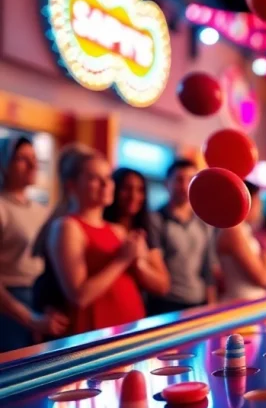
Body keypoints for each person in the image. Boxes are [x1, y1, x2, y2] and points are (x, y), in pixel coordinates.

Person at [43, 150, 147, 335]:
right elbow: (79, 296)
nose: (106, 184)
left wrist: (139, 258)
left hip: (130, 327)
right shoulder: (67, 227)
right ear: (72, 186)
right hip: (97, 332)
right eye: (94, 178)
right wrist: (122, 260)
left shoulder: (117, 229)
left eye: (108, 177)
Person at [0, 136, 66, 351]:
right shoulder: (2, 208)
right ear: (4, 164)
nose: (32, 165)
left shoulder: (42, 210)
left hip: (40, 301)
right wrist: (29, 318)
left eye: (34, 158)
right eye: (22, 158)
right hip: (10, 306)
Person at [148, 159, 218, 315]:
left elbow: (207, 267)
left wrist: (211, 303)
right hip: (166, 304)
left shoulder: (204, 221)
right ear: (167, 183)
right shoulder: (156, 219)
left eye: (190, 180)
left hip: (198, 302)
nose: (185, 186)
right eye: (179, 180)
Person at [103, 168, 170, 299]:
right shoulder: (100, 226)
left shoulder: (144, 231)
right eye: (126, 189)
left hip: (135, 308)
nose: (133, 196)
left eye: (140, 190)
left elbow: (163, 285)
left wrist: (138, 263)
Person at [217, 181, 266, 303]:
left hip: (249, 301)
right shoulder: (234, 230)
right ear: (247, 201)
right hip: (240, 303)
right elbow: (263, 278)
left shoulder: (243, 228)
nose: (260, 207)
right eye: (258, 201)